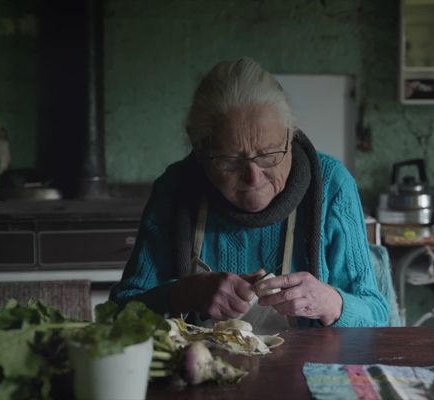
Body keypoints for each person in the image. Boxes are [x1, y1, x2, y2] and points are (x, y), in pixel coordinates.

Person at [110, 57, 389, 328]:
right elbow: (118, 313)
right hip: (202, 370)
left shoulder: (332, 184)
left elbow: (377, 316)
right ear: (199, 149)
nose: (253, 177)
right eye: (231, 160)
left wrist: (332, 303)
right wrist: (184, 294)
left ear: (290, 136)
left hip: (308, 372)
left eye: (268, 155)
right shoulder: (175, 188)